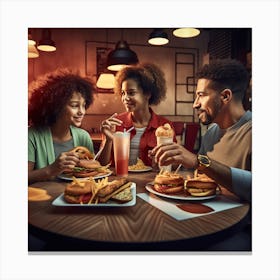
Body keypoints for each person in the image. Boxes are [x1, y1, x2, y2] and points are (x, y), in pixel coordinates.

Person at [151, 59, 252, 202]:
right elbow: (199, 174)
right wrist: (173, 161)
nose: (195, 104)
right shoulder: (211, 132)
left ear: (225, 96)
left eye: (201, 95)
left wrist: (197, 161)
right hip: (206, 215)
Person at [99, 62, 176, 167]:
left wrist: (160, 161)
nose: (125, 98)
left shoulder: (164, 126)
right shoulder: (115, 123)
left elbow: (175, 163)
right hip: (120, 181)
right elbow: (101, 165)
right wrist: (108, 140)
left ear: (147, 94)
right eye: (123, 93)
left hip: (150, 182)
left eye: (131, 93)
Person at [28, 68, 95, 184]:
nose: (82, 111)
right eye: (74, 105)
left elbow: (95, 169)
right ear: (56, 106)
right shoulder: (32, 136)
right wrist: (52, 169)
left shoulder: (83, 136)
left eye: (84, 105)